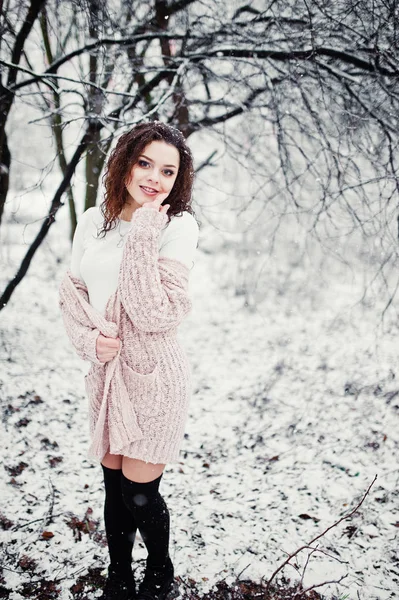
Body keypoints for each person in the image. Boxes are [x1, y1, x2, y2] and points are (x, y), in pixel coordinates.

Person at [58, 121, 199, 600]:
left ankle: (159, 573)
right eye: (145, 163)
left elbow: (154, 313)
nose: (154, 178)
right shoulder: (92, 220)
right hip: (106, 375)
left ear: (178, 179)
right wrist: (87, 341)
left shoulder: (177, 226)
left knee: (140, 491)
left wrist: (143, 230)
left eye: (168, 170)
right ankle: (119, 576)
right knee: (112, 487)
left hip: (155, 376)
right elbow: (72, 294)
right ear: (124, 164)